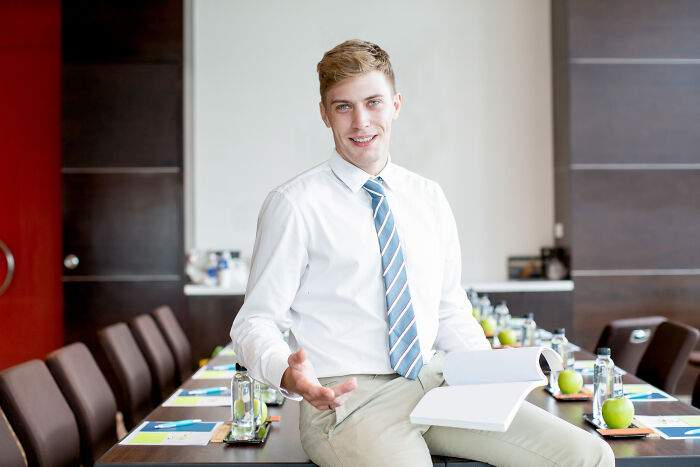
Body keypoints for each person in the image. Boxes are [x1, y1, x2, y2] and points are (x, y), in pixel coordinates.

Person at [231, 39, 614, 467]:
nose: (361, 121)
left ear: (395, 104)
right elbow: (256, 321)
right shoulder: (294, 204)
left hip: (438, 381)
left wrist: (488, 370)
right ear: (324, 113)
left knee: (589, 456)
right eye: (343, 107)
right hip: (348, 402)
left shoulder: (427, 197)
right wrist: (288, 373)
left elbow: (449, 308)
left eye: (373, 102)